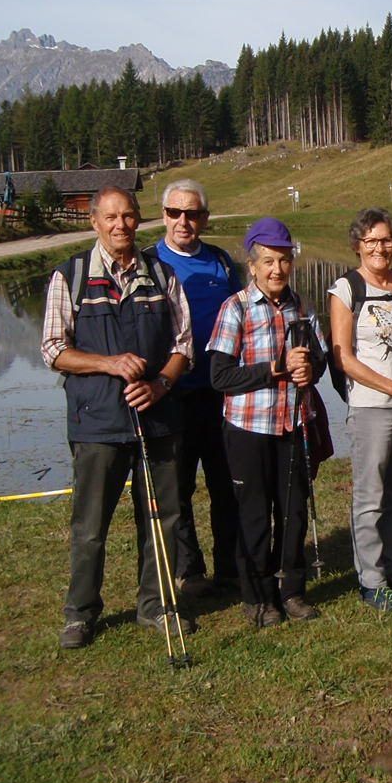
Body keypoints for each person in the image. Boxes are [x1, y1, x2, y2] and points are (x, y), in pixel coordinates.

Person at [41, 184, 194, 650]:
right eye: (110, 217)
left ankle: (158, 604)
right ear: (94, 222)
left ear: (138, 219)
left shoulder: (161, 274)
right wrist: (107, 363)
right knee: (91, 525)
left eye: (128, 216)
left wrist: (161, 383)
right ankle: (80, 613)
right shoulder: (70, 276)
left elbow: (183, 345)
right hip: (98, 424)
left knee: (163, 517)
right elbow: (53, 350)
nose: (120, 225)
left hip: (158, 417)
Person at [208, 217, 327, 627]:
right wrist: (274, 369)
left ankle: (291, 591)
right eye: (268, 262)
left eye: (284, 260)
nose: (277, 269)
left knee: (294, 512)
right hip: (248, 429)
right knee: (254, 515)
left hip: (294, 425)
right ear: (252, 266)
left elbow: (321, 358)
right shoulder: (235, 308)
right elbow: (220, 376)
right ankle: (258, 597)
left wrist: (312, 370)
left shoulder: (303, 305)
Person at [328, 208, 392, 613]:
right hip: (371, 406)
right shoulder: (345, 288)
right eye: (371, 241)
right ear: (358, 245)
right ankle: (370, 581)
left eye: (386, 240)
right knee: (370, 495)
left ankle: (391, 567)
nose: (379, 248)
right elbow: (344, 359)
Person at [153, 179, 243, 597]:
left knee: (227, 483)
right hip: (172, 394)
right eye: (175, 212)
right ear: (163, 215)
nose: (183, 221)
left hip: (222, 391)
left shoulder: (223, 263)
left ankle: (230, 566)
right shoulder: (148, 263)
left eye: (192, 213)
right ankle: (189, 571)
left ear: (205, 218)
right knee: (179, 486)